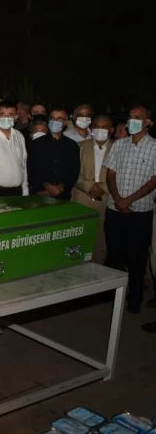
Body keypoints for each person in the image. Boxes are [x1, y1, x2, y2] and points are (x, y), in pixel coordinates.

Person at [102, 105, 156, 316]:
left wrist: (128, 200)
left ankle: (134, 299)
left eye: (137, 117)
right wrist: (118, 199)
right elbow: (110, 174)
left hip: (140, 212)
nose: (131, 121)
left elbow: (154, 181)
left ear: (148, 122)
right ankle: (114, 296)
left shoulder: (154, 147)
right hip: (114, 209)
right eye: (130, 117)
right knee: (115, 255)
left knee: (137, 259)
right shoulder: (119, 144)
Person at [72, 114, 115, 263]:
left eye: (104, 127)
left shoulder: (118, 148)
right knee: (78, 233)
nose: (99, 129)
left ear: (111, 129)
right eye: (96, 126)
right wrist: (89, 186)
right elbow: (72, 172)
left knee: (101, 237)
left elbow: (122, 175)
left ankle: (98, 267)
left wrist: (103, 187)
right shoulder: (79, 146)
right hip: (81, 197)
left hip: (106, 198)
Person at [27, 108, 80, 200]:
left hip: (63, 194)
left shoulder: (72, 145)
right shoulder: (36, 144)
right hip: (40, 193)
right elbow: (31, 169)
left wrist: (61, 188)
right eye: (52, 118)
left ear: (66, 122)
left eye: (59, 119)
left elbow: (74, 172)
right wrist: (47, 187)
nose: (55, 121)